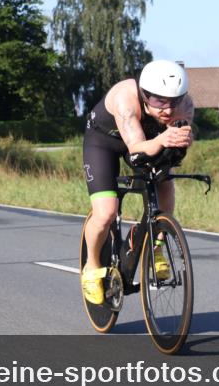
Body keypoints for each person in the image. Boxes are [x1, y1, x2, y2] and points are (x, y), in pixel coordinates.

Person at [81, 60, 194, 304]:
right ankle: (91, 266)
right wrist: (165, 138)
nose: (167, 109)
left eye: (173, 101)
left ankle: (157, 246)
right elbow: (135, 149)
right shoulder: (125, 99)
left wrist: (181, 139)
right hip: (104, 142)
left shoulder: (184, 106)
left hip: (149, 139)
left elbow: (176, 145)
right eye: (158, 101)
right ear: (144, 95)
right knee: (106, 212)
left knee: (164, 179)